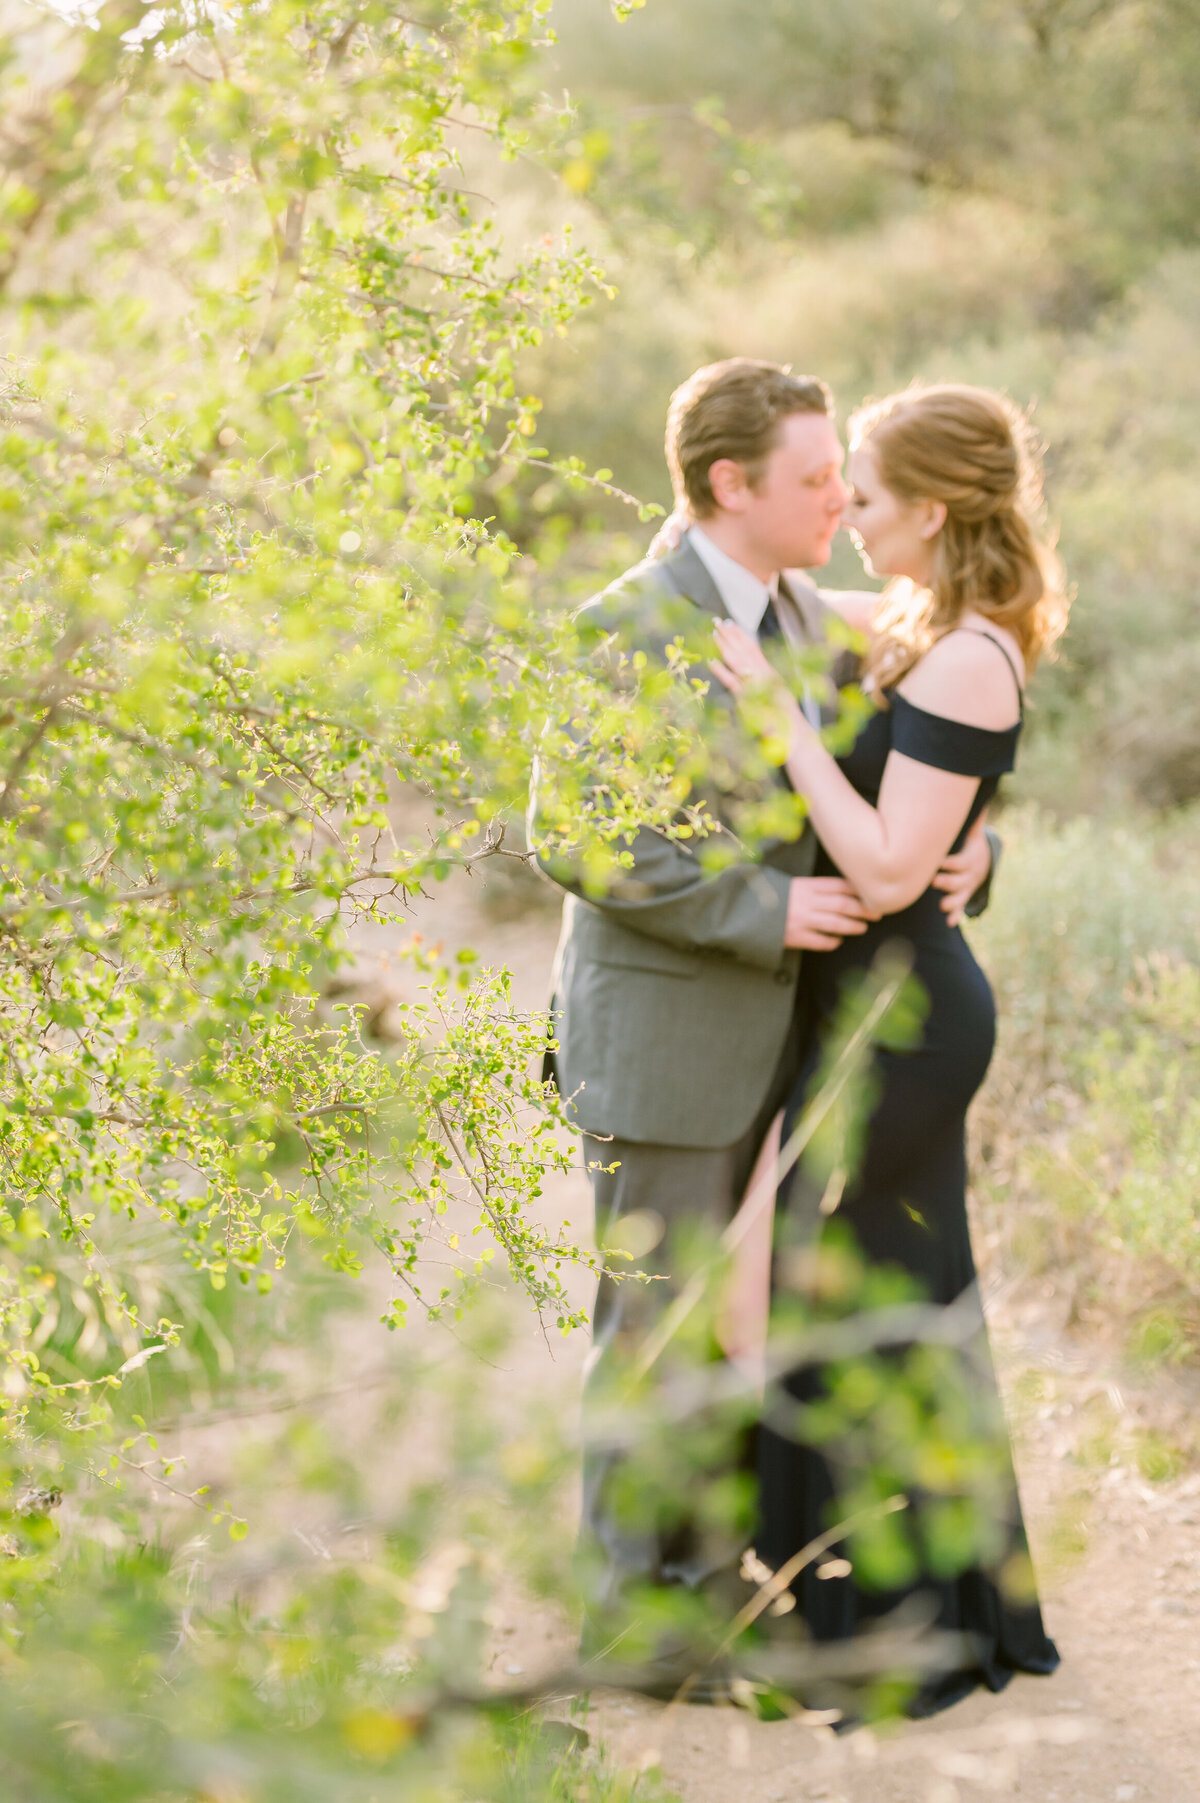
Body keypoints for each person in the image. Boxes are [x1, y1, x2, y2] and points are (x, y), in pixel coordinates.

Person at [532, 359, 994, 1690]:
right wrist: (759, 911)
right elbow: (572, 833)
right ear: (731, 486)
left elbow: (906, 766)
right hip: (670, 1053)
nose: (842, 494)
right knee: (654, 1339)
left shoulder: (802, 612)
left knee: (748, 1332)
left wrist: (974, 850)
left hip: (795, 1052)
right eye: (813, 477)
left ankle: (712, 1584)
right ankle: (634, 1631)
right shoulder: (621, 631)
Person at [711, 381, 1066, 1718]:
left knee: (782, 1281)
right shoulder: (922, 621)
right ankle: (897, 1607)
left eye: (860, 495)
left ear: (928, 508)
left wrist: (779, 718)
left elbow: (882, 865)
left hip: (902, 1014)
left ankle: (872, 1620)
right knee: (872, 1298)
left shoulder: (972, 650)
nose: (844, 518)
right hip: (882, 1002)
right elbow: (778, 608)